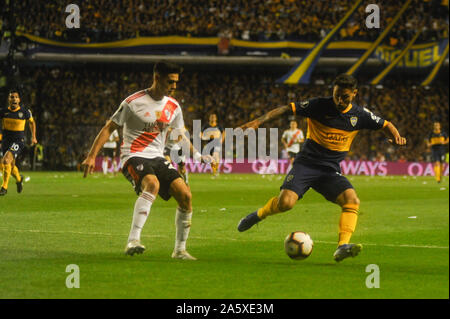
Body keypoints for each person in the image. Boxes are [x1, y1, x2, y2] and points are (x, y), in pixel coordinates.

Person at [237, 74, 407, 262]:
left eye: (345, 97)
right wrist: (258, 121)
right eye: (336, 95)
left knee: (352, 200)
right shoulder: (318, 105)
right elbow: (287, 108)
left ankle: (342, 246)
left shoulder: (360, 115)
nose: (340, 100)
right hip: (306, 165)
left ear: (354, 93)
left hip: (329, 171)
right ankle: (258, 215)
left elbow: (386, 124)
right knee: (285, 204)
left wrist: (396, 137)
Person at [82, 61, 213, 260]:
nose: (174, 86)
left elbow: (179, 135)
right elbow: (109, 127)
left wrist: (198, 155)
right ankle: (133, 240)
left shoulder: (174, 107)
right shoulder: (133, 102)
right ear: (157, 78)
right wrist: (92, 156)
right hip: (132, 155)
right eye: (170, 81)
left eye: (176, 82)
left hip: (157, 157)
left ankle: (179, 250)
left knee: (186, 196)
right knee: (152, 184)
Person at [0, 89, 37, 196]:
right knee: (10, 166)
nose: (14, 99)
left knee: (6, 160)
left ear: (19, 100)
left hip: (18, 141)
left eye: (16, 97)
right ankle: (19, 179)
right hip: (6, 141)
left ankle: (4, 187)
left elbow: (32, 122)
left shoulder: (25, 112)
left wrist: (33, 137)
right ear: (9, 99)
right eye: (12, 97)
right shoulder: (3, 112)